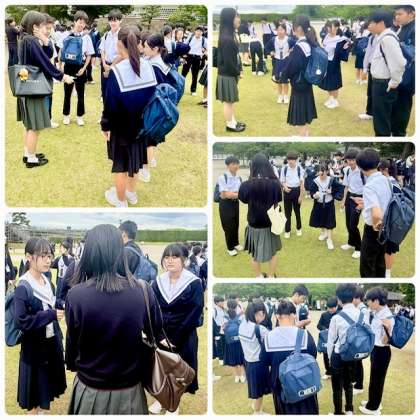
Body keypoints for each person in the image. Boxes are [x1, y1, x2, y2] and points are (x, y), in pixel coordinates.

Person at [65, 224, 163, 414]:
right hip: (130, 390)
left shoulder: (76, 295)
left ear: (89, 252)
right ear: (120, 252)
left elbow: (73, 341)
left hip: (90, 389)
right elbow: (157, 331)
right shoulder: (142, 290)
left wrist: (71, 363)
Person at [101, 25, 157, 207]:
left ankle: (120, 200)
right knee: (136, 162)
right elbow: (152, 95)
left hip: (121, 128)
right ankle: (131, 194)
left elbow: (110, 105)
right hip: (142, 125)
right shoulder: (148, 66)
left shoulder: (117, 72)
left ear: (119, 44)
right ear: (139, 43)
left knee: (121, 165)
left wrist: (105, 126)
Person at [150, 243, 204, 415]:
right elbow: (152, 309)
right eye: (166, 257)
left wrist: (175, 338)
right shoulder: (158, 282)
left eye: (175, 257)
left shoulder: (193, 283)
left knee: (179, 371)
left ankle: (174, 404)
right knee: (161, 369)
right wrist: (159, 334)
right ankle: (161, 399)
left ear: (184, 260)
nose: (170, 260)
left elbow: (195, 312)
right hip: (161, 334)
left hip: (184, 335)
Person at [13, 238, 66, 414]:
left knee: (45, 395)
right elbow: (21, 320)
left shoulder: (46, 280)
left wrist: (61, 304)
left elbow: (50, 302)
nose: (48, 260)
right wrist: (50, 315)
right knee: (33, 401)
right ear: (29, 257)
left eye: (49, 256)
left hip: (50, 346)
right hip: (34, 352)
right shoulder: (23, 286)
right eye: (43, 256)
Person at [16, 11, 74, 168]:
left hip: (27, 87)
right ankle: (31, 158)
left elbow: (45, 54)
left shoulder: (25, 39)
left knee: (29, 125)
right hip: (34, 88)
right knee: (35, 126)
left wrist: (45, 40)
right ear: (34, 26)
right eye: (42, 25)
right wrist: (62, 76)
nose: (46, 29)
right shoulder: (31, 41)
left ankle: (28, 153)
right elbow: (45, 62)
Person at [263, 300, 319, 414]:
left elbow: (264, 360)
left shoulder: (268, 337)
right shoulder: (304, 334)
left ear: (277, 316)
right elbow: (313, 355)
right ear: (294, 315)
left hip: (280, 385)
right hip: (305, 382)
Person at [238, 153, 282, 278]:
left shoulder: (246, 185)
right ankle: (271, 276)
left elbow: (243, 199)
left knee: (254, 254)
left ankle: (258, 277)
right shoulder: (275, 184)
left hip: (254, 224)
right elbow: (278, 200)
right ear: (268, 166)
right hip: (270, 224)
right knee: (273, 253)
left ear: (253, 166)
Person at [354, 149, 392, 277]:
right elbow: (383, 201)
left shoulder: (369, 186)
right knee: (380, 263)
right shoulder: (386, 179)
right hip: (386, 227)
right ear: (378, 163)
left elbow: (376, 214)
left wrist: (376, 227)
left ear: (360, 167)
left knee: (367, 266)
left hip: (374, 230)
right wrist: (366, 203)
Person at [368, 10, 407, 136]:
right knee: (381, 117)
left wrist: (394, 82)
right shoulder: (382, 37)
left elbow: (399, 63)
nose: (369, 26)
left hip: (383, 84)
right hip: (380, 83)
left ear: (381, 23)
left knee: (381, 121)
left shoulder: (387, 39)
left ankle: (383, 138)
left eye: (371, 23)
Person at [142, 33, 174, 182]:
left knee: (148, 138)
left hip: (153, 106)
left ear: (155, 49)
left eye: (146, 47)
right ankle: (152, 160)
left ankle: (146, 170)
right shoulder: (161, 62)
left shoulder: (154, 66)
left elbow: (154, 89)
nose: (144, 49)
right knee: (152, 137)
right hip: (160, 106)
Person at [359, 288, 394, 415]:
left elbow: (385, 341)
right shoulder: (378, 312)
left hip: (382, 351)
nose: (367, 303)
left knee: (377, 380)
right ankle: (373, 401)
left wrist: (388, 329)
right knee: (374, 378)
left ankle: (373, 408)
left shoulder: (387, 316)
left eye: (369, 300)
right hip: (376, 350)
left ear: (376, 301)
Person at [282, 15, 318, 136]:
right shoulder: (309, 42)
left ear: (298, 28)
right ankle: (305, 134)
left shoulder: (300, 46)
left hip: (299, 83)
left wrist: (283, 75)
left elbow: (293, 66)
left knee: (301, 115)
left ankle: (302, 136)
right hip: (307, 82)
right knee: (305, 113)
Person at [327, 284, 359, 415]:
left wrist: (329, 357)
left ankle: (338, 412)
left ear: (339, 300)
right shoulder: (362, 314)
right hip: (352, 355)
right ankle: (349, 409)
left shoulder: (336, 317)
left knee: (337, 387)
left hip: (338, 355)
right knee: (349, 384)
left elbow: (330, 341)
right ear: (353, 297)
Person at [60, 10, 94, 126]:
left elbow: (89, 55)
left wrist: (84, 68)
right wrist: (60, 67)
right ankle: (66, 115)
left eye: (84, 23)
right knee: (67, 93)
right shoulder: (66, 35)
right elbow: (61, 51)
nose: (81, 25)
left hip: (80, 67)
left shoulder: (87, 37)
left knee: (80, 93)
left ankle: (80, 116)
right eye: (80, 22)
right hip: (68, 67)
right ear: (74, 22)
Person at [238, 300, 271, 415]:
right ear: (258, 313)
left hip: (248, 362)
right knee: (258, 392)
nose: (264, 316)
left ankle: (257, 408)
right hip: (258, 364)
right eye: (263, 314)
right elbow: (271, 340)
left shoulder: (242, 325)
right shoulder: (259, 329)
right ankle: (257, 413)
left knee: (254, 388)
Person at [216, 8, 245, 133]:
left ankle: (233, 121)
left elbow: (235, 57)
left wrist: (239, 69)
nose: (238, 19)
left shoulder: (229, 35)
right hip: (227, 74)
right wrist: (238, 72)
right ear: (229, 19)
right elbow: (229, 62)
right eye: (236, 16)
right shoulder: (227, 38)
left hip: (229, 73)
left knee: (231, 101)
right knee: (229, 101)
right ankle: (230, 124)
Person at [378, 159, 403, 278]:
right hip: (389, 220)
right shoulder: (392, 181)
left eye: (379, 169)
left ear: (385, 170)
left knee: (389, 248)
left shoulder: (391, 183)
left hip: (391, 221)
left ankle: (387, 272)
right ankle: (385, 270)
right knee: (385, 247)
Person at [393, 5, 415, 137]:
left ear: (411, 14)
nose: (397, 17)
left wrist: (397, 44)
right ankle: (395, 130)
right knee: (396, 103)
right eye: (396, 14)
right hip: (399, 73)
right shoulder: (402, 28)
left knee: (403, 104)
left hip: (408, 75)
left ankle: (399, 133)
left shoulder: (414, 28)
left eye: (400, 14)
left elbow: (413, 52)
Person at [309, 163, 342, 250]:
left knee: (329, 221)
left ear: (327, 171)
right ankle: (323, 233)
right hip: (319, 204)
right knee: (321, 219)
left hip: (329, 203)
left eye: (322, 173)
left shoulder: (331, 180)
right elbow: (312, 192)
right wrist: (314, 195)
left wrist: (332, 191)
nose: (321, 175)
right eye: (319, 173)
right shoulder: (315, 181)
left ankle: (329, 239)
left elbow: (340, 189)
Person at [319, 20, 351, 109]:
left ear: (336, 27)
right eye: (327, 27)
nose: (328, 29)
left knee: (334, 81)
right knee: (327, 81)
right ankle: (331, 98)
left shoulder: (341, 39)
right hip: (326, 62)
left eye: (330, 27)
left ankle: (335, 100)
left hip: (334, 63)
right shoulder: (327, 37)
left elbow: (343, 53)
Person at [340, 149, 365, 259]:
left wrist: (362, 203)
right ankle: (350, 242)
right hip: (349, 197)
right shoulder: (347, 170)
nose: (350, 162)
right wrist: (343, 200)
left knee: (353, 224)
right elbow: (346, 187)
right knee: (347, 222)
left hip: (359, 199)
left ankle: (359, 248)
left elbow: (367, 188)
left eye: (352, 160)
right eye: (348, 160)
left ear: (357, 160)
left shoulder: (362, 171)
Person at [217, 155, 243, 256]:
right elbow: (225, 194)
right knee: (228, 226)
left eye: (237, 164)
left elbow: (238, 192)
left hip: (235, 203)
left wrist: (233, 194)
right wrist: (236, 194)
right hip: (225, 204)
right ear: (228, 166)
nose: (236, 166)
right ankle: (230, 247)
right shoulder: (223, 177)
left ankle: (236, 243)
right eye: (233, 164)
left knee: (236, 224)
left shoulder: (239, 178)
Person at [265, 23, 293, 104]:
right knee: (278, 80)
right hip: (277, 61)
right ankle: (280, 96)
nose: (280, 31)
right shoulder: (273, 39)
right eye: (278, 30)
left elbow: (297, 45)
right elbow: (266, 47)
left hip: (286, 61)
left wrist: (292, 50)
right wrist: (271, 52)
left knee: (285, 80)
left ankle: (286, 96)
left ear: (285, 31)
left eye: (282, 30)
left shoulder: (289, 39)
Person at [99, 10, 122, 104]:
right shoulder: (106, 35)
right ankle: (105, 112)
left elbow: (122, 54)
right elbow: (102, 50)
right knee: (104, 90)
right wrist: (104, 64)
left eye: (115, 20)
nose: (113, 23)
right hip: (105, 66)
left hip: (117, 67)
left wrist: (111, 66)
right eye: (111, 20)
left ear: (120, 21)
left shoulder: (122, 35)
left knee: (115, 92)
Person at [280, 151, 304, 239]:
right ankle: (287, 230)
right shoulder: (284, 168)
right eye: (289, 159)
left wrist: (301, 196)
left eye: (292, 159)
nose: (290, 161)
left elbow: (302, 183)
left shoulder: (300, 169)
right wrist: (285, 187)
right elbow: (282, 181)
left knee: (297, 211)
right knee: (287, 213)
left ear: (296, 160)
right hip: (287, 191)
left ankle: (298, 228)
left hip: (296, 191)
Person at [223, 299, 245, 383]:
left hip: (230, 343)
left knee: (233, 360)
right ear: (236, 306)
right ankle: (242, 375)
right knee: (241, 359)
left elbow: (222, 330)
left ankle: (237, 376)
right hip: (239, 341)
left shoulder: (225, 317)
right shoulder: (241, 316)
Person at [317, 297, 338, 380]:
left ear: (336, 306)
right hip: (326, 339)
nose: (330, 310)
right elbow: (318, 325)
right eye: (329, 308)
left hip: (337, 339)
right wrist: (324, 329)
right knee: (326, 355)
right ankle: (328, 372)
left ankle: (336, 372)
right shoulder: (324, 315)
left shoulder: (339, 315)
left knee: (336, 355)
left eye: (332, 308)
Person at [182, 26, 207, 96]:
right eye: (197, 31)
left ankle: (193, 90)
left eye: (200, 31)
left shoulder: (204, 40)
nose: (198, 33)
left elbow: (208, 49)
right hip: (188, 56)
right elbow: (184, 45)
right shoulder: (190, 37)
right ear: (195, 31)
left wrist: (203, 53)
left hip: (197, 58)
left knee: (195, 75)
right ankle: (180, 87)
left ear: (202, 33)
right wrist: (183, 55)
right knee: (184, 73)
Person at [352, 286, 368, 395]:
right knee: (355, 362)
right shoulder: (358, 309)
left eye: (352, 298)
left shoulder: (363, 310)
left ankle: (359, 386)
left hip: (359, 340)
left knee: (358, 363)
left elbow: (361, 326)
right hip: (357, 339)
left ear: (358, 298)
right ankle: (355, 381)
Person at [51, 239, 74, 307]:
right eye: (61, 248)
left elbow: (68, 264)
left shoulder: (71, 259)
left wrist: (65, 256)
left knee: (64, 297)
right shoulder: (59, 258)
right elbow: (52, 265)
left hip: (67, 281)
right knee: (58, 296)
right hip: (59, 280)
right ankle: (57, 309)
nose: (61, 249)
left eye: (63, 248)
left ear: (68, 249)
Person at [213, 295, 226, 366]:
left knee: (224, 344)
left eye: (223, 301)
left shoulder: (223, 309)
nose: (223, 303)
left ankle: (224, 358)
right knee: (219, 345)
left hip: (224, 329)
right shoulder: (214, 310)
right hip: (218, 330)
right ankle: (221, 359)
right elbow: (213, 322)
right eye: (221, 301)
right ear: (216, 302)